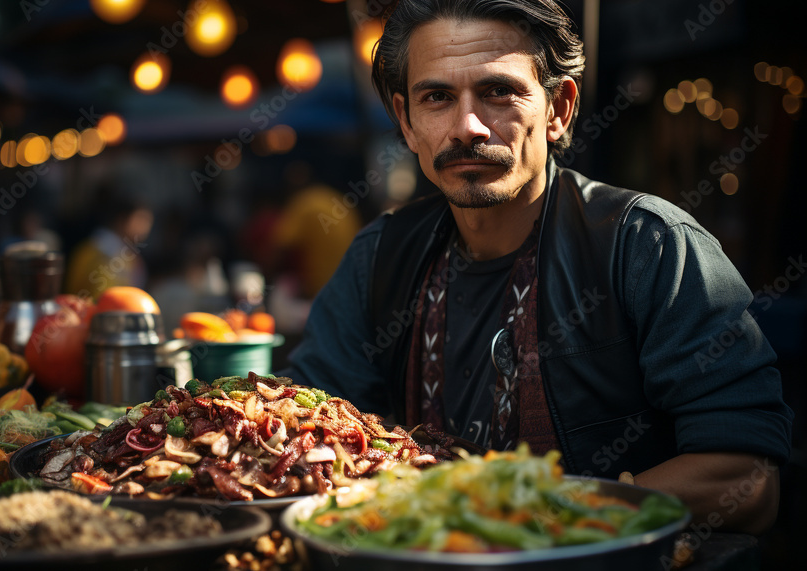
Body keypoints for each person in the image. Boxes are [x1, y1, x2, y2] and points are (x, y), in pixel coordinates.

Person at [285, 0, 792, 535]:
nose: (468, 127)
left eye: (498, 91)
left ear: (559, 109)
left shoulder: (650, 247)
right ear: (406, 123)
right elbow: (304, 430)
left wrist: (539, 513)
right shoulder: (378, 258)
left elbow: (748, 479)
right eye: (436, 97)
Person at [65, 188, 153, 299]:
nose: (146, 227)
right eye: (141, 219)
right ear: (121, 219)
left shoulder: (127, 254)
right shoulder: (97, 252)